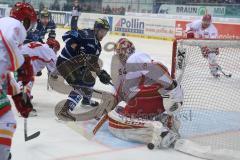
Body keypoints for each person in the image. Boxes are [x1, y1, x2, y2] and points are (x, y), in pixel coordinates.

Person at [107, 38, 183, 149]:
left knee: (124, 119)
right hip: (150, 101)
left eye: (120, 52)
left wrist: (172, 86)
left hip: (147, 99)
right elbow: (119, 93)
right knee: (123, 111)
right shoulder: (125, 68)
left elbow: (155, 68)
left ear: (126, 51)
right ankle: (166, 120)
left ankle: (162, 132)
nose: (118, 55)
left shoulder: (134, 58)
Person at [0, 2, 37, 160]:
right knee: (6, 121)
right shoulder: (16, 25)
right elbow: (8, 40)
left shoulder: (3, 22)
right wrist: (21, 64)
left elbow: (5, 70)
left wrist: (19, 97)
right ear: (26, 20)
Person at [56, 18, 112, 121]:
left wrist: (100, 73)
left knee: (90, 79)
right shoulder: (85, 34)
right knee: (81, 86)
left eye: (105, 32)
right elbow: (66, 35)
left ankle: (86, 100)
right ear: (96, 29)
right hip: (65, 63)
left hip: (75, 67)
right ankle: (64, 111)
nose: (103, 34)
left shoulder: (97, 47)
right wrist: (76, 48)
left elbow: (93, 63)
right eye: (102, 31)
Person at [18, 38, 60, 116]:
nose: (56, 52)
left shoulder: (40, 45)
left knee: (25, 82)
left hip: (17, 57)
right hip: (24, 62)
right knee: (27, 82)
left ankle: (26, 96)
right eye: (56, 50)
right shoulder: (49, 51)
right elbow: (55, 68)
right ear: (53, 47)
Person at [185, 13, 220, 78]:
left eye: (208, 22)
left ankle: (214, 71)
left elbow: (213, 42)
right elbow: (188, 26)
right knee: (208, 56)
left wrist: (208, 48)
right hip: (200, 41)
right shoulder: (197, 23)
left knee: (212, 56)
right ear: (202, 20)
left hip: (210, 42)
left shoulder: (213, 30)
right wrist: (189, 31)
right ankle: (213, 64)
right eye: (204, 21)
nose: (206, 23)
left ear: (210, 22)